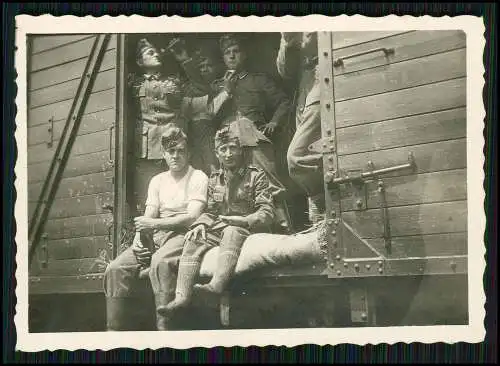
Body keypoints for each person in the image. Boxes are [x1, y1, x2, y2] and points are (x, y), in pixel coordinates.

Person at [158, 123, 276, 313]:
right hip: (222, 228)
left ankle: (216, 286)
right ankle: (181, 297)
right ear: (217, 154)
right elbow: (211, 211)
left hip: (248, 227)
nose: (228, 153)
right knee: (194, 237)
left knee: (231, 229)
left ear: (240, 151)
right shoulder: (215, 179)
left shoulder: (256, 176)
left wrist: (245, 220)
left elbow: (267, 211)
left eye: (232, 148)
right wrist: (200, 224)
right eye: (223, 149)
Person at [103, 124, 209, 331]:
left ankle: (165, 329)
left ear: (189, 153)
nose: (176, 156)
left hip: (183, 234)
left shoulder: (198, 177)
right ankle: (113, 333)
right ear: (164, 154)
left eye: (181, 151)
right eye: (171, 151)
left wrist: (152, 224)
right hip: (157, 234)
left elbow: (191, 217)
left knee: (160, 262)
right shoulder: (157, 180)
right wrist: (138, 239)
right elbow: (150, 213)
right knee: (115, 269)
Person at [130, 38, 232, 208]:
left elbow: (201, 89)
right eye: (150, 52)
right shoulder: (133, 84)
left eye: (156, 51)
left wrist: (185, 60)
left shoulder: (175, 81)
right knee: (147, 195)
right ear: (140, 62)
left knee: (181, 190)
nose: (156, 54)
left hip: (175, 143)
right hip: (147, 148)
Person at [213, 33, 293, 232]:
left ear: (244, 54)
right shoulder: (217, 85)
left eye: (236, 51)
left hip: (253, 136)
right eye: (226, 53)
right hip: (227, 140)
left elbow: (284, 102)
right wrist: (227, 91)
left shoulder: (259, 80)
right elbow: (210, 112)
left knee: (269, 182)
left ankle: (282, 226)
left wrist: (274, 121)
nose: (231, 56)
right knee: (229, 184)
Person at [276, 32, 325, 224]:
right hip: (305, 92)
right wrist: (287, 42)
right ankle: (321, 213)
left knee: (296, 157)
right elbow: (284, 71)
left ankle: (321, 202)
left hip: (323, 82)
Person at [164, 37, 226, 175]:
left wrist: (185, 60)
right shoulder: (188, 88)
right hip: (190, 137)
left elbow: (203, 90)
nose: (204, 70)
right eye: (200, 67)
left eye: (208, 66)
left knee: (214, 172)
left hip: (211, 137)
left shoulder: (221, 85)